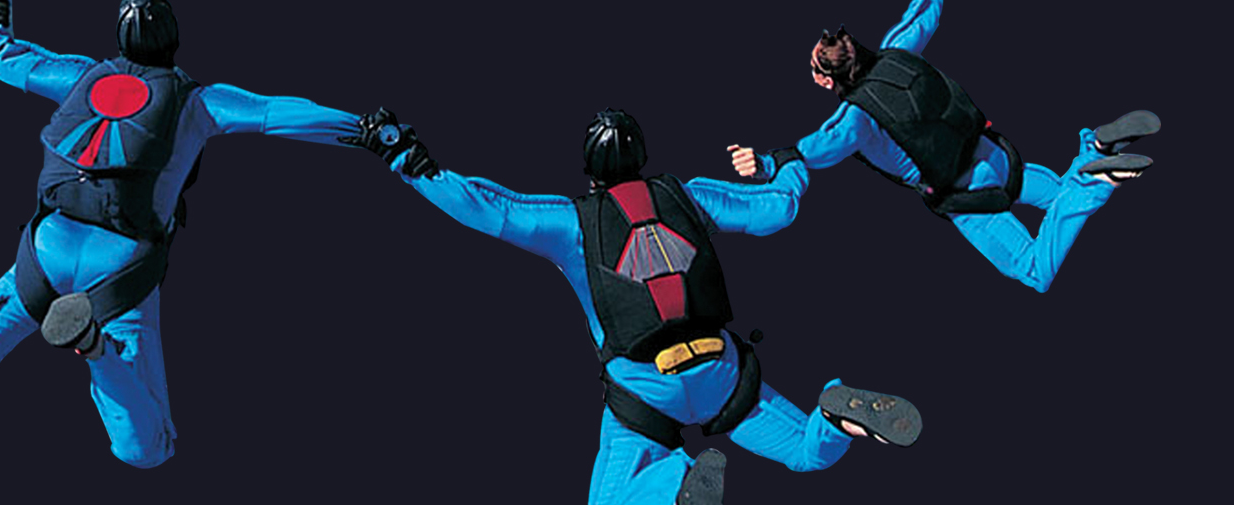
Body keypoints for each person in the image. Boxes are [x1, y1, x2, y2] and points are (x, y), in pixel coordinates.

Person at [0, 0, 362, 468]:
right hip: (120, 271)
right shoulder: (197, 102)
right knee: (147, 450)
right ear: (174, 40)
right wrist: (364, 130)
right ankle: (94, 346)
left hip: (45, 250)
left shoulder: (81, 77)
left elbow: (2, 56)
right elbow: (278, 114)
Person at [351, 107, 922, 504]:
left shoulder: (571, 223)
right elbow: (779, 210)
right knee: (805, 453)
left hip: (647, 389)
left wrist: (407, 160)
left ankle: (671, 490)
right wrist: (786, 161)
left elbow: (490, 208)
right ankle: (834, 416)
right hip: (722, 372)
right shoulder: (690, 197)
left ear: (588, 169)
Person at [727, 0, 1158, 291]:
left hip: (966, 195)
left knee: (1034, 270)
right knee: (1058, 197)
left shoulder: (853, 121)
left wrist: (763, 163)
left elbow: (806, 154)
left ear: (826, 81)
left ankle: (1095, 181)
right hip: (997, 157)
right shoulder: (899, 49)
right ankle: (1095, 150)